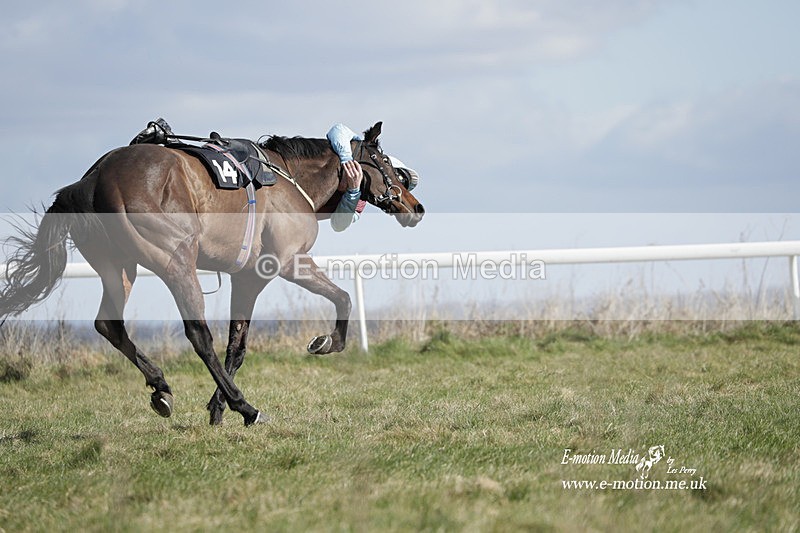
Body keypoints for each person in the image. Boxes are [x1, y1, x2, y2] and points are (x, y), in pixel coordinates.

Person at [326, 123, 419, 232]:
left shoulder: (359, 204)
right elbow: (338, 130)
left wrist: (353, 191)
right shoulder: (355, 151)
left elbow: (338, 225)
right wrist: (347, 162)